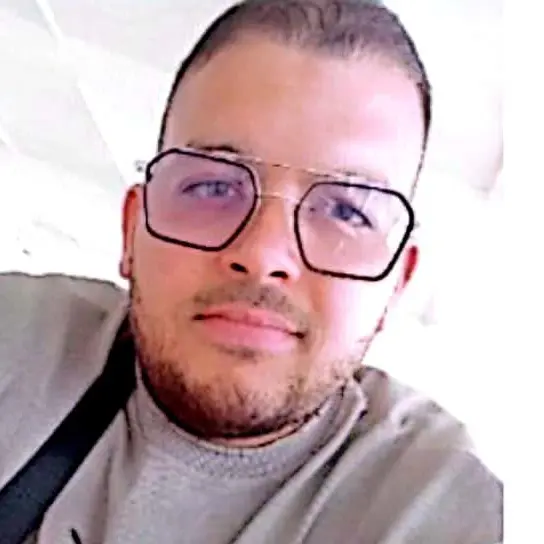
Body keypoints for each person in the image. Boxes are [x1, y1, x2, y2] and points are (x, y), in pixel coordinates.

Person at [0, 1, 502, 543]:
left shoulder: (442, 505)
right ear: (133, 231)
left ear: (394, 286)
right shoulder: (19, 337)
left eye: (346, 211)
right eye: (213, 186)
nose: (263, 255)